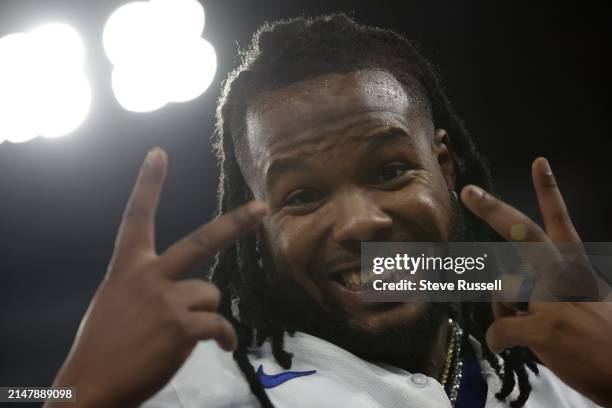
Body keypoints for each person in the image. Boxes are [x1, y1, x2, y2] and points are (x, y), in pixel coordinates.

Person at [47, 14, 612, 408]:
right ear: (258, 224)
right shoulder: (186, 383)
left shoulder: (573, 363)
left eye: (390, 171)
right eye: (302, 196)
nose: (360, 222)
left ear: (444, 164)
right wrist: (73, 392)